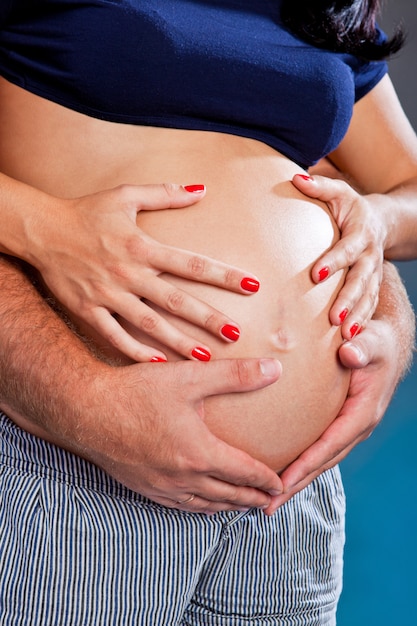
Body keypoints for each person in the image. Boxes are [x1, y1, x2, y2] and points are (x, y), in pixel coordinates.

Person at [0, 1, 415, 624]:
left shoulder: (322, 7)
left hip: (285, 507)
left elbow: (406, 183)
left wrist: (374, 233)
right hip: (73, 460)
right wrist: (44, 229)